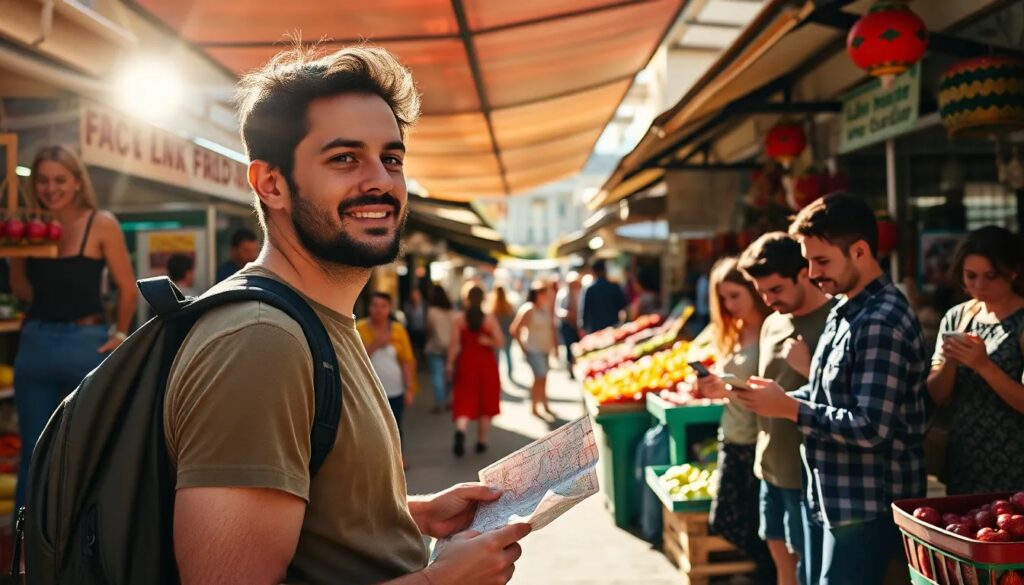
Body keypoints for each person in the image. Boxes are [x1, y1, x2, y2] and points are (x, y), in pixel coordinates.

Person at [165, 45, 530, 584]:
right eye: (344, 158)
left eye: (392, 158)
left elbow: (308, 517)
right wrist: (438, 580)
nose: (380, 181)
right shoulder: (260, 342)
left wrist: (411, 513)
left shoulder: (318, 321)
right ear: (271, 184)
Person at [733, 192, 928, 585]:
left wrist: (789, 409)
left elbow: (871, 427)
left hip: (866, 507)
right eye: (808, 261)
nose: (812, 272)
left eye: (821, 260)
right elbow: (830, 397)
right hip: (834, 499)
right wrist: (777, 399)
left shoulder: (880, 320)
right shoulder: (844, 309)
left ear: (859, 251)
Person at [9, 145, 137, 512]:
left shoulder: (102, 224)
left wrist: (119, 334)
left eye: (60, 180)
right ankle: (27, 554)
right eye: (44, 180)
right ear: (35, 185)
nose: (52, 188)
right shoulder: (31, 226)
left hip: (86, 344)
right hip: (36, 341)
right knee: (33, 451)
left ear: (78, 182)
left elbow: (128, 289)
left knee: (88, 447)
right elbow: (22, 290)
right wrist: (17, 256)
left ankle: (87, 545)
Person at [738, 232, 835, 585]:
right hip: (769, 467)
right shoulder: (771, 323)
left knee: (809, 570)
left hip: (806, 474)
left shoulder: (833, 322)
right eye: (761, 292)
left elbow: (847, 405)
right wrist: (725, 388)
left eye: (776, 289)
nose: (768, 299)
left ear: (804, 273)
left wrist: (811, 370)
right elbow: (765, 391)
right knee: (784, 568)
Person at [692, 257, 774, 583]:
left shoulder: (772, 330)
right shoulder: (734, 331)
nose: (728, 305)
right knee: (729, 522)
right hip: (733, 436)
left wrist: (725, 391)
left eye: (734, 295)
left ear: (754, 290)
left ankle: (761, 575)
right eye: (722, 298)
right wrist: (713, 386)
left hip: (759, 442)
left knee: (759, 530)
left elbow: (774, 393)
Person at [927, 226, 1024, 494]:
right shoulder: (958, 317)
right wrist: (951, 361)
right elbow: (935, 394)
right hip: (963, 460)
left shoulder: (1020, 323)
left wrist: (984, 366)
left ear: (1013, 271)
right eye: (970, 276)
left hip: (1014, 465)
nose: (979, 287)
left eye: (991, 276)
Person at [447, 284, 503, 457]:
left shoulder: (459, 319)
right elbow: (500, 342)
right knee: (485, 402)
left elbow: (454, 345)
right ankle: (481, 441)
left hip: (466, 363)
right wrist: (489, 342)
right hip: (486, 364)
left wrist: (449, 364)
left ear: (467, 298)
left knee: (465, 398)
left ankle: (461, 430)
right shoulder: (490, 319)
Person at [357, 292, 417, 446]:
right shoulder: (359, 328)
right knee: (370, 428)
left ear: (389, 309)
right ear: (369, 307)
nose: (379, 310)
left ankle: (398, 459)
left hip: (395, 390)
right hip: (367, 391)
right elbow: (356, 360)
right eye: (375, 305)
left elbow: (407, 361)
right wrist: (376, 344)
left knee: (395, 426)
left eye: (383, 306)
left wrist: (409, 388)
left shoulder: (398, 330)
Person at [511, 281, 559, 418]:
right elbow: (515, 329)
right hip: (533, 349)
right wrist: (523, 348)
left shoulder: (546, 308)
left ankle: (544, 404)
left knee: (543, 378)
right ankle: (534, 406)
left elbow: (552, 329)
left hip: (545, 348)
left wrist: (555, 347)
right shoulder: (528, 309)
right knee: (540, 376)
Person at [425, 285, 455, 414]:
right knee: (449, 374)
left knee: (437, 376)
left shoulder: (431, 311)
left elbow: (429, 329)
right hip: (451, 347)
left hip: (435, 346)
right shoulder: (452, 311)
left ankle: (440, 402)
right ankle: (447, 400)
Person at [579, 259, 627, 335]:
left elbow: (585, 312)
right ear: (605, 270)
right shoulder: (614, 286)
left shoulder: (589, 290)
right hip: (614, 327)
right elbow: (624, 306)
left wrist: (583, 327)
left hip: (596, 330)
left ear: (593, 271)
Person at [555, 271, 582, 380]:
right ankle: (570, 368)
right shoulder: (563, 294)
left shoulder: (581, 292)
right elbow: (558, 310)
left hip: (579, 324)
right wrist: (567, 314)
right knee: (569, 347)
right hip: (567, 325)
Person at [489, 285, 517, 381]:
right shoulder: (509, 306)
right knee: (508, 354)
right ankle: (509, 374)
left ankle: (498, 376)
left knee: (497, 357)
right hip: (507, 335)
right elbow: (514, 319)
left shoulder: (492, 307)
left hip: (497, 335)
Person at [403, 287, 426, 363]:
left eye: (416, 295)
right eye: (413, 295)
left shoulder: (424, 306)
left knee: (422, 347)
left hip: (423, 330)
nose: (414, 297)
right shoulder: (407, 306)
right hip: (412, 330)